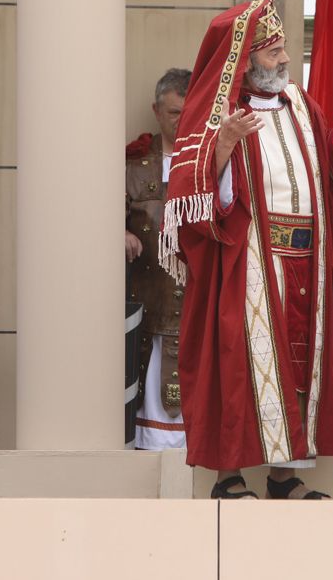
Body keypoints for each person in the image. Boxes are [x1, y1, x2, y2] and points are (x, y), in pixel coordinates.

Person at [160, 0, 333, 499]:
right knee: (239, 366)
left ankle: (285, 476)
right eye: (272, 51)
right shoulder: (218, 114)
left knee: (298, 368)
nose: (284, 57)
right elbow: (192, 196)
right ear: (244, 59)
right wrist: (222, 146)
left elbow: (324, 171)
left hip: (307, 259)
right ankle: (228, 477)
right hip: (247, 260)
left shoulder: (299, 103)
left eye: (284, 47)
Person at [126, 68, 192, 450]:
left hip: (197, 310)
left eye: (190, 111)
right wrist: (118, 231)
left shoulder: (209, 163)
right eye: (174, 113)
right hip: (150, 308)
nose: (183, 121)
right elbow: (98, 216)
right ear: (156, 110)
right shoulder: (133, 165)